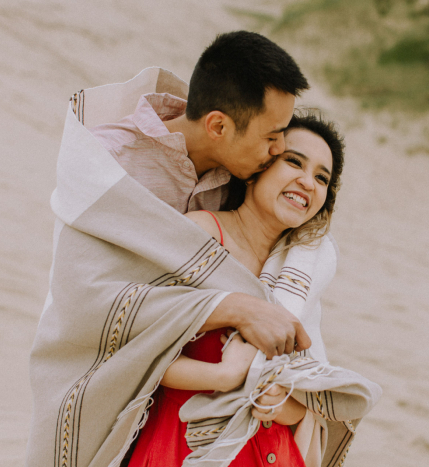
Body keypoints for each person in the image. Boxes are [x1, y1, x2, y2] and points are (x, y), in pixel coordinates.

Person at [126, 111, 344, 467]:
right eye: (294, 162)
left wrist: (278, 399)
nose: (308, 182)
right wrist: (223, 376)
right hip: (183, 448)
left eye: (322, 178)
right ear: (258, 167)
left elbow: (302, 407)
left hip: (273, 453)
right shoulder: (203, 235)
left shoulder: (299, 277)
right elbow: (137, 349)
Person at [90, 30, 311, 359]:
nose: (280, 149)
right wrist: (236, 309)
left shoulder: (246, 175)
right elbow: (93, 297)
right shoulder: (108, 160)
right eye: (272, 136)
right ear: (218, 127)